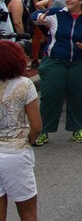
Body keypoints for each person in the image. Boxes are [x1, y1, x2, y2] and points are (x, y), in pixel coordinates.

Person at [32, 0, 82, 145]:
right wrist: (39, 16)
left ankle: (76, 129)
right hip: (55, 61)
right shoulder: (56, 13)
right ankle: (44, 131)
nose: (68, 0)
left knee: (78, 95)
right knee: (50, 93)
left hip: (80, 62)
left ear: (81, 1)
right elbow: (35, 16)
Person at [0, 40, 41, 221]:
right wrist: (27, 142)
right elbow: (37, 127)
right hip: (16, 154)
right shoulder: (25, 84)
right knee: (27, 212)